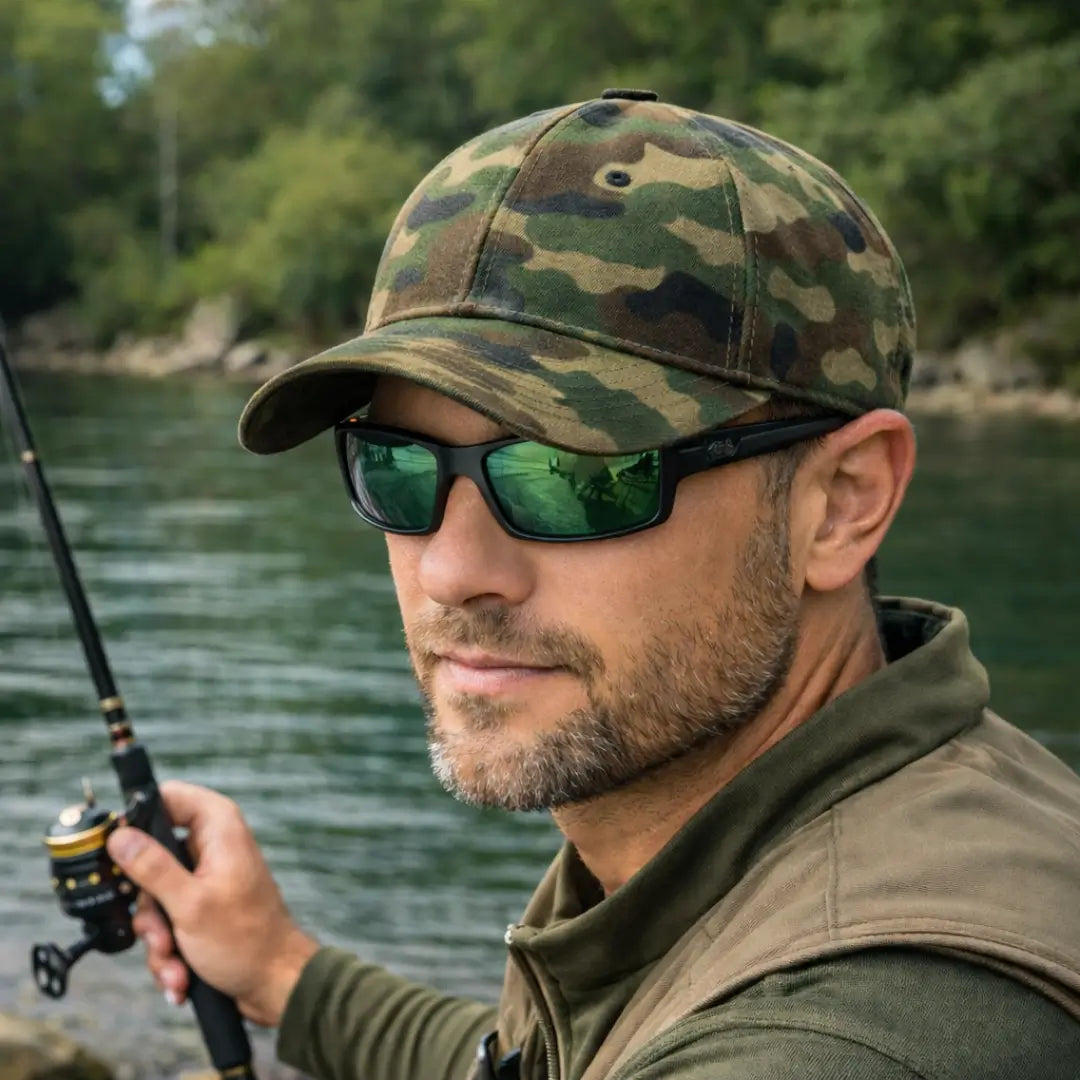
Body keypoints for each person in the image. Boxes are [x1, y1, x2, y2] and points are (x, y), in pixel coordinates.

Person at [106, 90, 1080, 1080]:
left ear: (841, 503)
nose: (452, 571)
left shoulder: (852, 1034)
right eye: (398, 467)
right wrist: (284, 975)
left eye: (573, 476)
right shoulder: (812, 837)